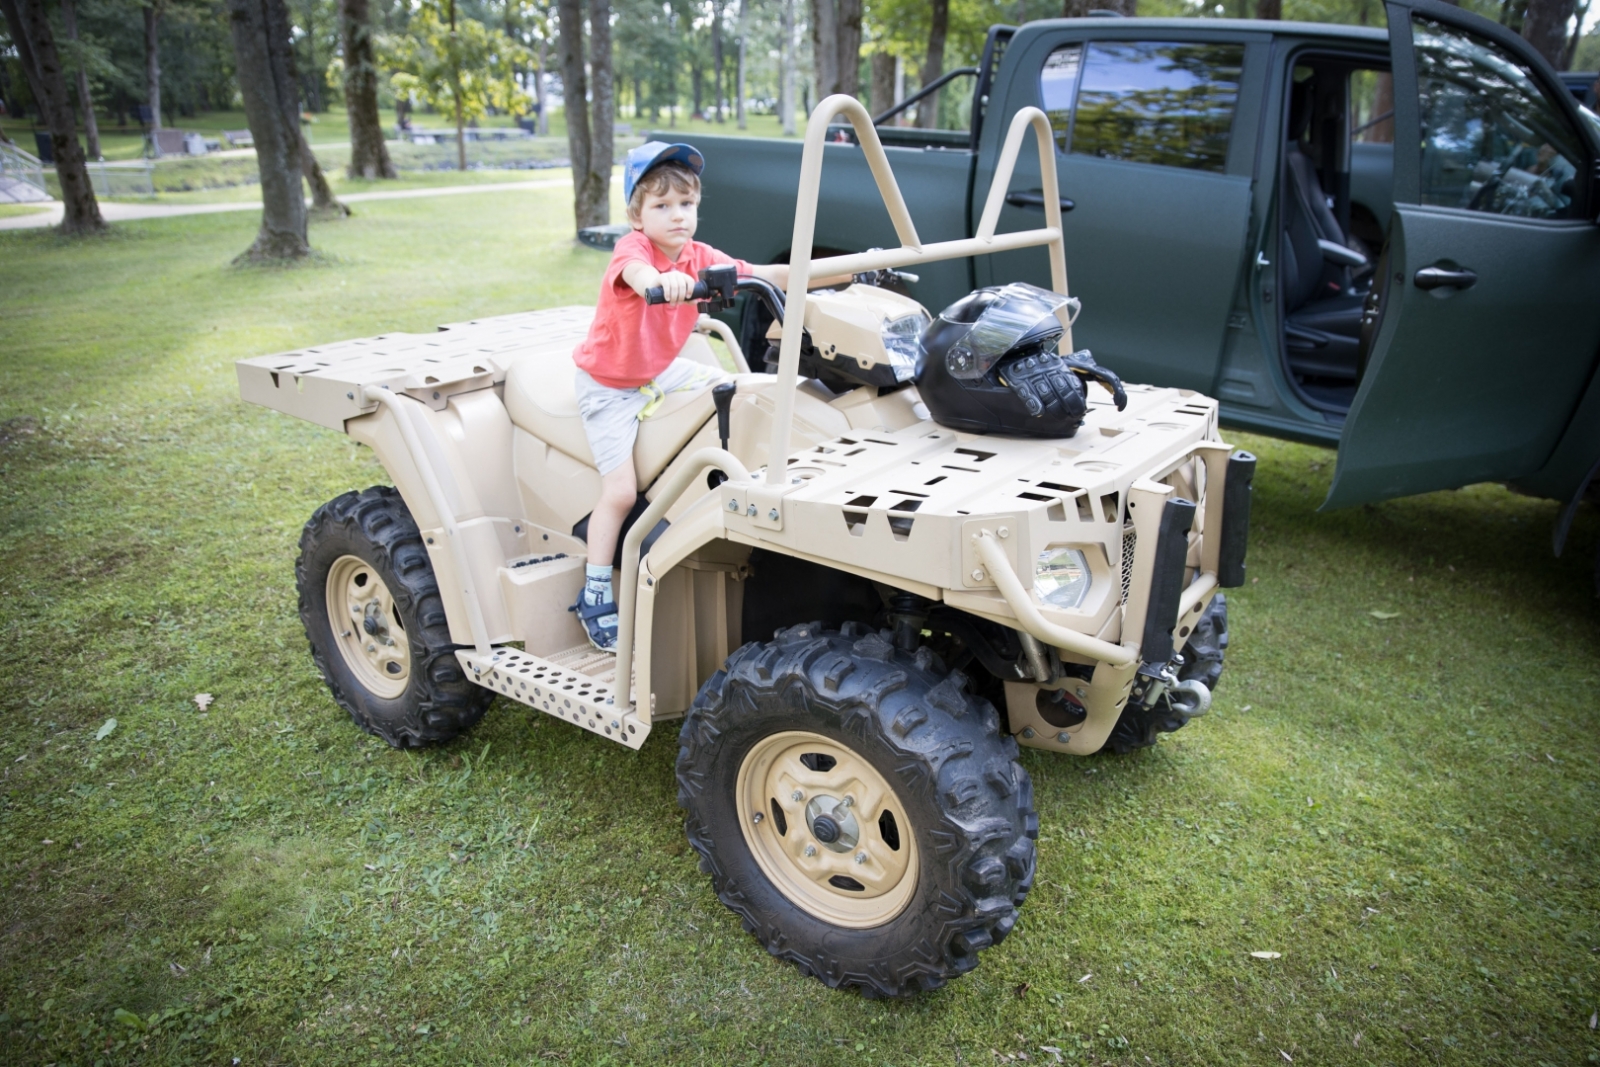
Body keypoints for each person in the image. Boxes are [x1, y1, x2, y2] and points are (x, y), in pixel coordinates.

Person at [569, 141, 806, 652]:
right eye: (661, 206)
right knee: (620, 492)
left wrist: (850, 270)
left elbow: (766, 275)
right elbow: (637, 275)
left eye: (686, 204)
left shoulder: (700, 256)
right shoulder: (634, 251)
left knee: (735, 387)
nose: (677, 215)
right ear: (637, 214)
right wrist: (663, 282)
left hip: (658, 370)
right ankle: (593, 591)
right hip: (610, 385)